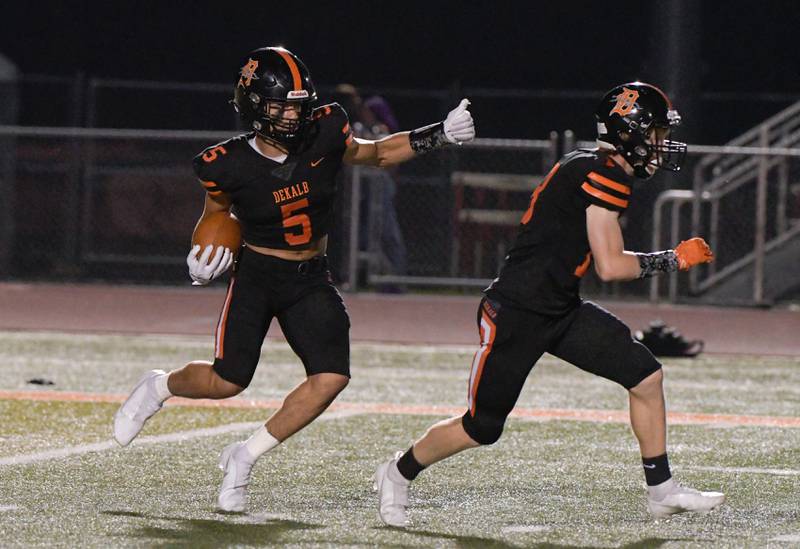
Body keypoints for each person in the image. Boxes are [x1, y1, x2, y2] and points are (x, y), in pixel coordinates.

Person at [112, 46, 475, 512]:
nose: (292, 115)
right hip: (259, 273)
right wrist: (203, 252)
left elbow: (378, 153)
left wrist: (438, 134)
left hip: (310, 274)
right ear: (253, 106)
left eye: (297, 104)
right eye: (281, 105)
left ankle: (244, 456)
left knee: (331, 377)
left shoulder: (325, 128)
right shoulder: (224, 163)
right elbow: (216, 214)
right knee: (228, 381)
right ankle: (158, 387)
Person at [374, 82, 724, 526]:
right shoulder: (604, 173)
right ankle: (397, 473)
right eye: (653, 134)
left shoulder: (591, 164)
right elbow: (612, 267)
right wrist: (673, 259)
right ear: (628, 134)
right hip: (517, 311)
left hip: (559, 308)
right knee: (482, 427)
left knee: (646, 376)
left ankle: (661, 491)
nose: (658, 145)